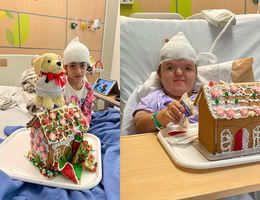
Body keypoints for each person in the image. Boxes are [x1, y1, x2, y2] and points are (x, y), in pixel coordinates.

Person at [133, 32, 198, 133]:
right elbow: (138, 125)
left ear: (196, 75)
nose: (179, 73)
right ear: (159, 75)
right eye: (170, 67)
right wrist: (161, 117)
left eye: (188, 68)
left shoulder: (205, 99)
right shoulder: (154, 98)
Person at [62, 37, 93, 124]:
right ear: (65, 67)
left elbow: (87, 113)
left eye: (82, 65)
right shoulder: (60, 85)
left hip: (78, 122)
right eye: (72, 66)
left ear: (87, 66)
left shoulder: (88, 88)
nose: (78, 71)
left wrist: (84, 124)